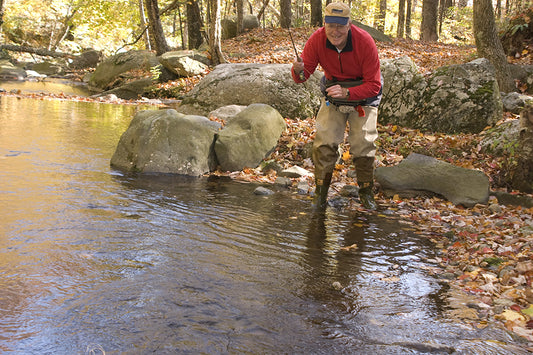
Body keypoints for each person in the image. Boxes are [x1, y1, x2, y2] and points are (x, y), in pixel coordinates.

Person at [291, 2, 382, 210]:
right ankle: (320, 194)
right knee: (325, 141)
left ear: (349, 24)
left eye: (341, 26)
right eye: (331, 25)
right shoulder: (317, 39)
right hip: (333, 91)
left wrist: (348, 92)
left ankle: (366, 194)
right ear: (324, 24)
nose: (335, 31)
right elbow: (303, 76)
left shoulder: (365, 42)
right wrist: (297, 70)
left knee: (362, 143)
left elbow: (374, 85)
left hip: (364, 93)